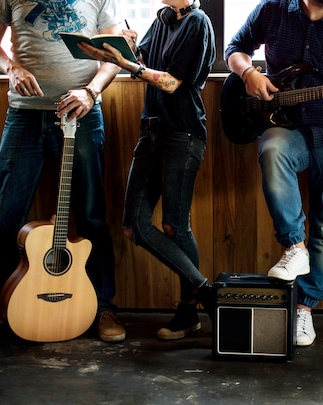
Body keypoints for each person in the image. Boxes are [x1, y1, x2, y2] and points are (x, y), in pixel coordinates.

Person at [0, 0, 125, 342]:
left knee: (91, 216)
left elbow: (115, 57)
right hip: (24, 116)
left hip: (83, 114)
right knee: (7, 217)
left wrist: (91, 92)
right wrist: (10, 67)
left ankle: (102, 306)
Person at [225, 0, 323, 347]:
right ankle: (294, 246)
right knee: (273, 150)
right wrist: (248, 73)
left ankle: (305, 310)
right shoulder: (272, 9)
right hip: (284, 124)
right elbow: (235, 48)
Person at [78, 0, 216, 340]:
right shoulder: (164, 18)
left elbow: (171, 83)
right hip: (151, 132)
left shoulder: (197, 22)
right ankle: (204, 290)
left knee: (174, 225)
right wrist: (131, 49)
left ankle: (187, 311)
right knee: (134, 226)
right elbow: (145, 65)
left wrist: (125, 63)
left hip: (182, 134)